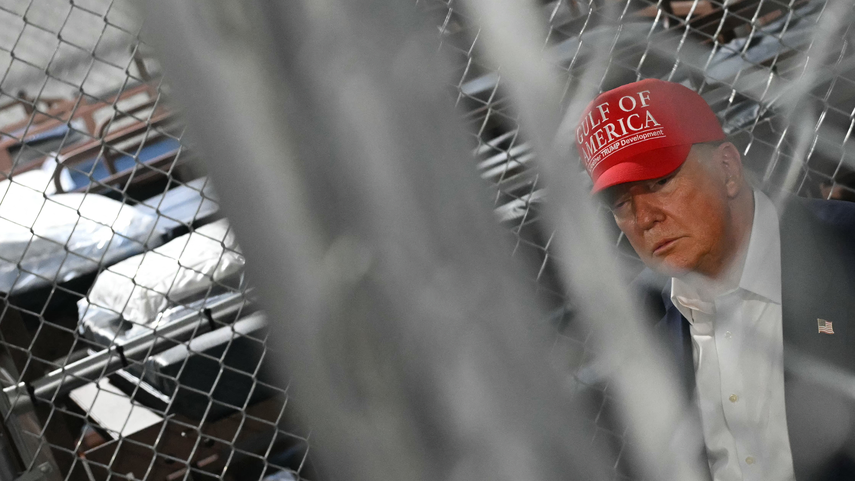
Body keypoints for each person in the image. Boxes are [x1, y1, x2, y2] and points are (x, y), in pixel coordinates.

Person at [576, 78, 855, 481]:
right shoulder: (645, 329)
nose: (643, 218)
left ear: (727, 169)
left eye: (660, 183)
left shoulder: (844, 247)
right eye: (620, 201)